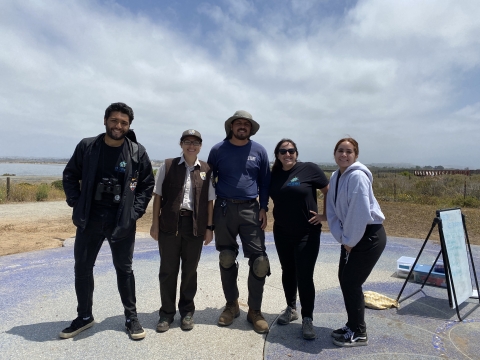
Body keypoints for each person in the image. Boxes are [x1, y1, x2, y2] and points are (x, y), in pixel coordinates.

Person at [60, 102, 154, 340]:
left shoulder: (137, 151)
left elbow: (146, 185)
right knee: (82, 268)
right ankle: (84, 316)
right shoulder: (87, 146)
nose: (118, 125)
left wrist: (135, 212)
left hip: (121, 220)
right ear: (105, 121)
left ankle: (131, 317)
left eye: (124, 122)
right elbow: (70, 174)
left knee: (124, 269)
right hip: (89, 219)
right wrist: (75, 201)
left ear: (129, 125)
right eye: (114, 120)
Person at [207, 110, 271, 334]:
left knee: (260, 261)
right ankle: (232, 305)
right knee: (226, 257)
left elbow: (265, 182)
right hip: (224, 208)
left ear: (251, 128)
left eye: (246, 124)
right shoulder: (217, 150)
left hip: (251, 209)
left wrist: (264, 207)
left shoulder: (259, 151)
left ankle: (255, 310)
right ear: (231, 127)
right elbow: (207, 181)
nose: (242, 126)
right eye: (238, 123)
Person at [150, 129, 215, 332]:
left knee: (190, 271)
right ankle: (166, 314)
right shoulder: (168, 165)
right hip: (170, 224)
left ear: (200, 146)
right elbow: (158, 196)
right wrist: (154, 224)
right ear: (181, 144)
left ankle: (187, 312)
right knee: (168, 271)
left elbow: (210, 201)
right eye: (187, 141)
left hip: (195, 226)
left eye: (195, 143)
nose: (191, 145)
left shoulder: (206, 169)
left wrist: (209, 228)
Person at [326, 137, 386, 347]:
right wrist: (342, 237)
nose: (344, 154)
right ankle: (352, 325)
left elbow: (358, 213)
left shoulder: (358, 177)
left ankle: (359, 333)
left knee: (352, 282)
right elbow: (332, 209)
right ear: (335, 154)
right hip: (351, 236)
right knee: (345, 279)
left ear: (356, 155)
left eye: (349, 151)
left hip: (368, 235)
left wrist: (349, 240)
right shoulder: (336, 176)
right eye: (340, 150)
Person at [269, 139, 329, 340]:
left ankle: (308, 318)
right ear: (277, 154)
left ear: (296, 152)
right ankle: (291, 308)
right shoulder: (274, 174)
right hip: (282, 231)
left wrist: (325, 214)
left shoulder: (309, 169)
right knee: (288, 271)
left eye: (291, 151)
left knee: (304, 275)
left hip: (307, 232)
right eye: (283, 151)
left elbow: (327, 190)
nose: (288, 154)